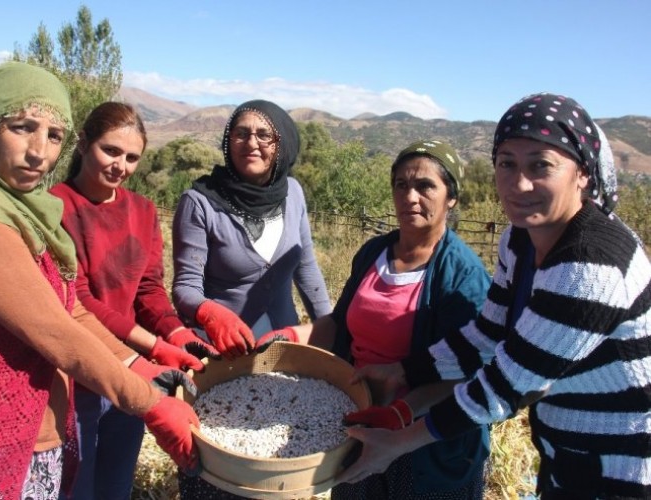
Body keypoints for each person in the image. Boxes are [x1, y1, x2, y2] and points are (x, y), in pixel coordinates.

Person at [0, 62, 200, 499]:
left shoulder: (26, 210)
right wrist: (151, 403)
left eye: (53, 135)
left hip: (29, 427)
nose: (39, 152)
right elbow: (53, 330)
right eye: (22, 128)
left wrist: (142, 363)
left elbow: (68, 307)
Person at [338, 93, 651, 499]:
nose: (519, 183)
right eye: (507, 163)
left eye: (541, 165)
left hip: (618, 464)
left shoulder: (591, 264)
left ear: (583, 174)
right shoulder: (519, 241)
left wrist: (399, 440)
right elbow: (486, 334)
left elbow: (507, 384)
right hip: (564, 450)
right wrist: (402, 372)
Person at [257, 140, 491, 498]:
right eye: (401, 185)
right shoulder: (374, 253)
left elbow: (466, 372)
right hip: (361, 420)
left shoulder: (462, 275)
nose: (410, 196)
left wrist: (401, 413)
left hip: (425, 440)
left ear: (451, 198)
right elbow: (338, 325)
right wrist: (290, 335)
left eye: (426, 186)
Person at [49, 101, 218, 500]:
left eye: (131, 158)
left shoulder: (141, 210)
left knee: (116, 481)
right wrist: (154, 345)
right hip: (78, 372)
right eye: (110, 150)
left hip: (134, 371)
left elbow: (148, 289)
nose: (120, 166)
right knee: (77, 484)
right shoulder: (56, 208)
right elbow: (79, 300)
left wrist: (177, 335)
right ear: (83, 143)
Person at [171, 99, 332, 498]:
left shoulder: (293, 193)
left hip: (282, 347)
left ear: (283, 144)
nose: (251, 143)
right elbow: (185, 287)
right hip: (220, 353)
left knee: (276, 454)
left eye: (264, 135)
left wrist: (333, 329)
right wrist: (210, 314)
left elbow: (306, 268)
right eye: (241, 133)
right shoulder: (201, 202)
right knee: (218, 460)